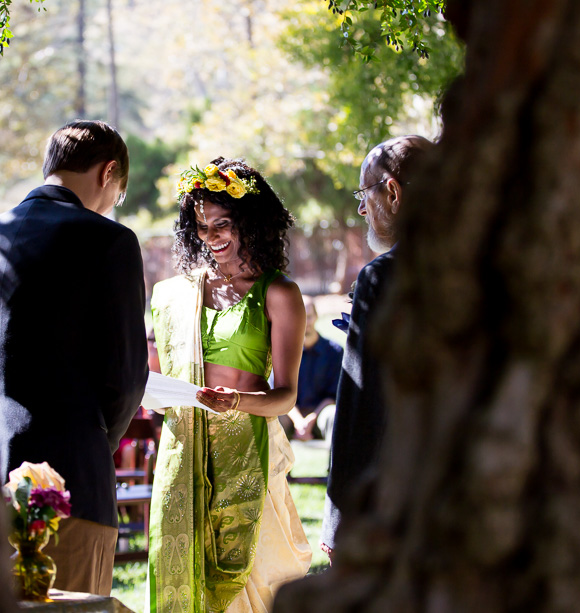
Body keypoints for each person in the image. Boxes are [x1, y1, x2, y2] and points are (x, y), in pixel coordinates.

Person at [0, 120, 148, 596]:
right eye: (117, 193)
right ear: (109, 172)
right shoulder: (110, 242)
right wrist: (96, 440)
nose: (112, 203)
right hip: (68, 482)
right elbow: (124, 379)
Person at [147, 158, 312, 613]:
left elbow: (287, 396)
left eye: (223, 224)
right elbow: (160, 367)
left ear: (252, 224)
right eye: (201, 227)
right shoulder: (179, 294)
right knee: (186, 568)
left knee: (256, 579)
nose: (211, 237)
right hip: (185, 446)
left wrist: (236, 400)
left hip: (248, 448)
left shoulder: (278, 294)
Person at [319, 135, 432, 563]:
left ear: (392, 191)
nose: (362, 210)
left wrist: (338, 518)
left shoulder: (384, 277)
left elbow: (360, 408)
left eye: (364, 195)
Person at [279, 295, 342, 441]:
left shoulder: (334, 351)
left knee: (333, 415)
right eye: (300, 317)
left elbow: (333, 395)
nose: (306, 322)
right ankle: (271, 465)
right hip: (290, 413)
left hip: (320, 413)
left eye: (310, 316)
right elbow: (280, 392)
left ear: (317, 317)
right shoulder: (283, 351)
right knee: (270, 419)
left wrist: (311, 420)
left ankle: (335, 464)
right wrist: (299, 421)